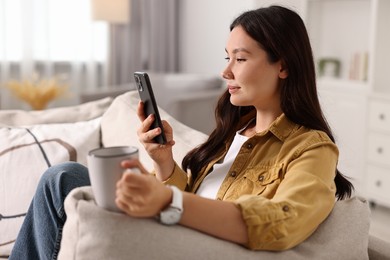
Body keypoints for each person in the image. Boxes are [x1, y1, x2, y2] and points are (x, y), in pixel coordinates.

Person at [10, 5, 353, 259]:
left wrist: (169, 200)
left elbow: (283, 223)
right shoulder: (234, 132)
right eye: (227, 57)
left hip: (197, 248)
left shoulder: (312, 148)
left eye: (240, 59)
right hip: (174, 232)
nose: (225, 70)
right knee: (64, 178)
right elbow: (194, 196)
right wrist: (163, 163)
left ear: (284, 66)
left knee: (64, 177)